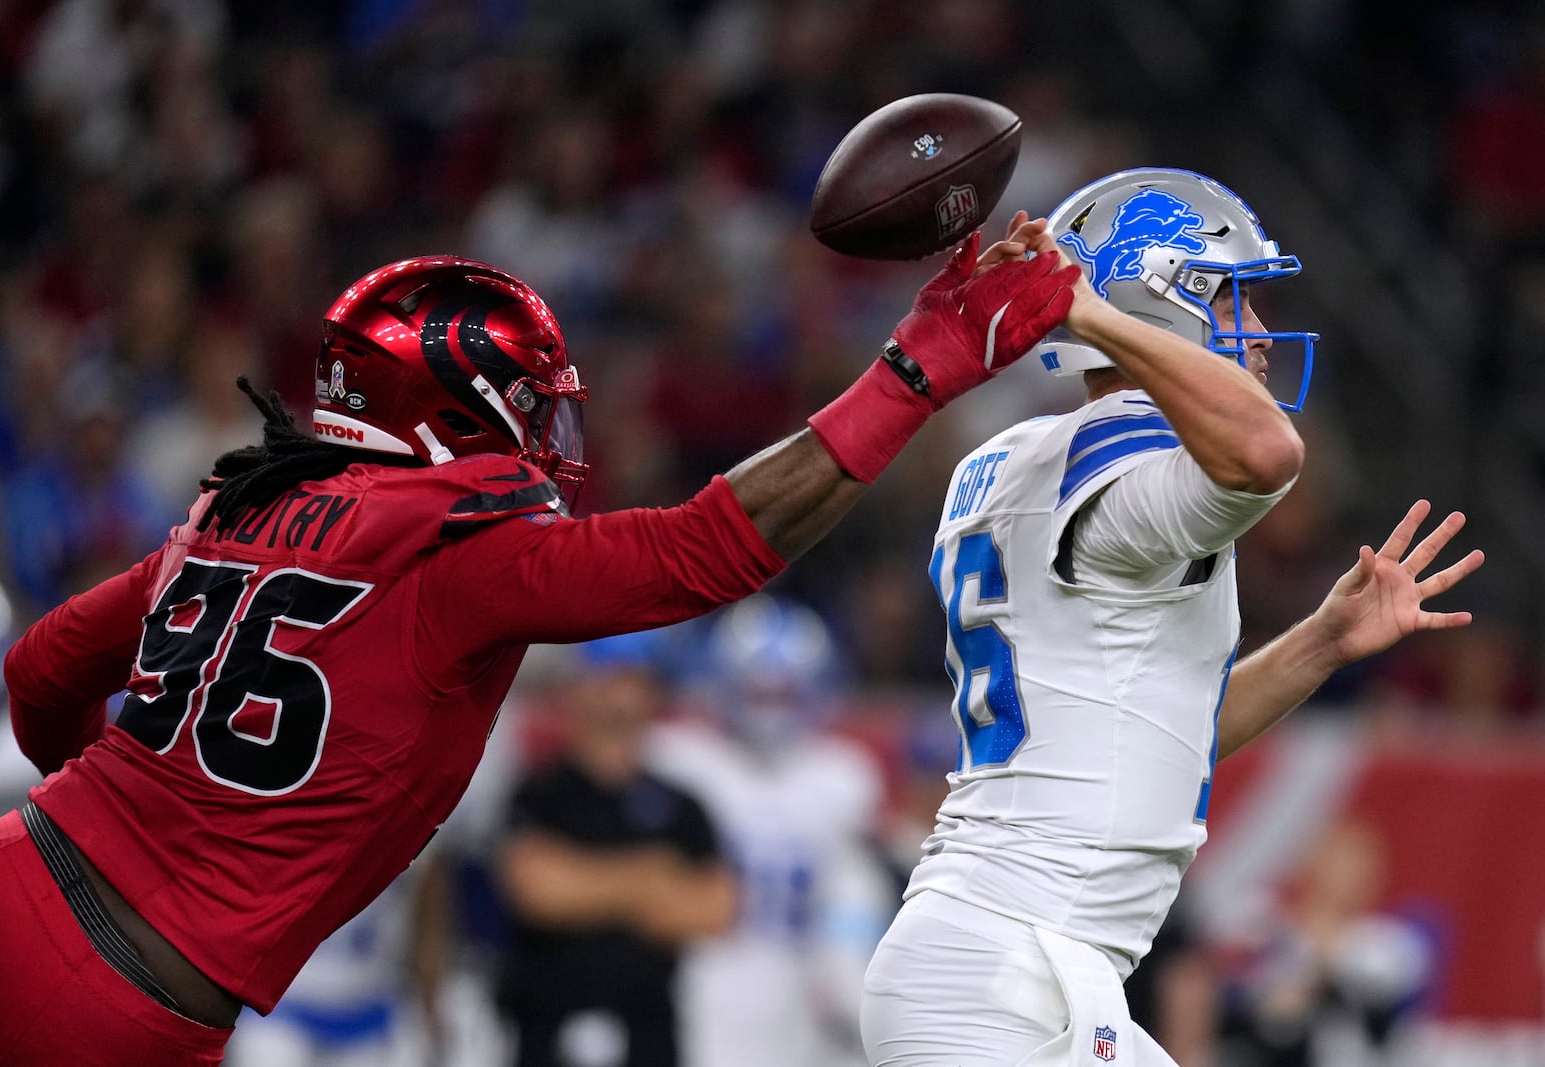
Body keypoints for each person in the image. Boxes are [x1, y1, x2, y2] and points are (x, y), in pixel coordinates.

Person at [0, 238, 1078, 1065]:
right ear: (453, 412)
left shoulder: (230, 508)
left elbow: (40, 670)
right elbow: (710, 550)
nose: (546, 433)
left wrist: (121, 814)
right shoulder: (457, 557)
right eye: (526, 405)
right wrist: (918, 364)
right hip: (122, 993)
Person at [858, 168, 1485, 1067]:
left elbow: (1157, 728)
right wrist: (1088, 312)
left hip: (1008, 961)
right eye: (1233, 297)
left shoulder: (1003, 457)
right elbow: (1267, 451)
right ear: (1152, 301)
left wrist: (1324, 641)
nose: (1260, 333)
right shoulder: (1133, 450)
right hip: (1010, 970)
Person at [648, 595, 891, 1067]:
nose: (768, 709)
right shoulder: (679, 761)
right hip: (701, 986)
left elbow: (858, 897)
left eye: (781, 694)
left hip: (806, 992)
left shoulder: (842, 776)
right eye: (756, 692)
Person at [493, 632, 734, 1067]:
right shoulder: (539, 793)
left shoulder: (682, 806)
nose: (616, 694)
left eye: (630, 679)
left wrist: (582, 881)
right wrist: (650, 876)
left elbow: (713, 910)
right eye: (604, 677)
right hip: (547, 1032)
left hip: (649, 1034)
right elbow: (537, 892)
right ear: (576, 688)